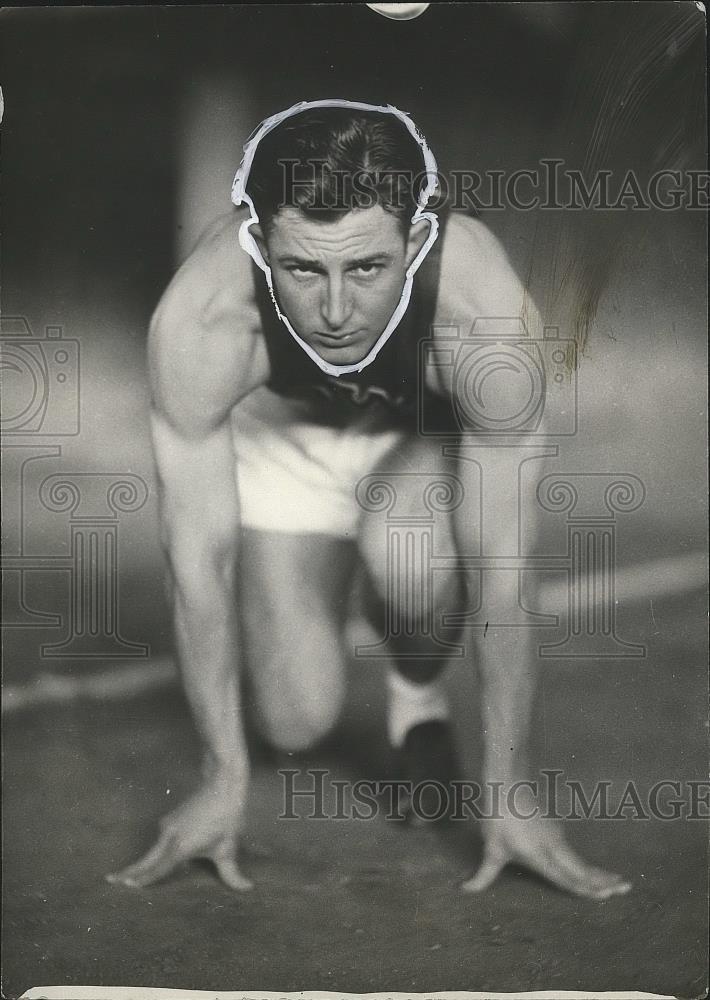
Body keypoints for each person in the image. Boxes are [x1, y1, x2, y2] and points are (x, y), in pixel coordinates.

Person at [108, 102, 631, 899]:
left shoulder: (486, 324)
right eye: (302, 270)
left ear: (416, 244)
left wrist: (511, 787)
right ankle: (319, 584)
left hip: (409, 440)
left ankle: (416, 696)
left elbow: (503, 565)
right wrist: (221, 774)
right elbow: (197, 564)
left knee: (414, 560)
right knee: (292, 723)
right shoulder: (202, 321)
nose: (336, 311)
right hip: (284, 442)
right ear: (259, 244)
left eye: (368, 269)